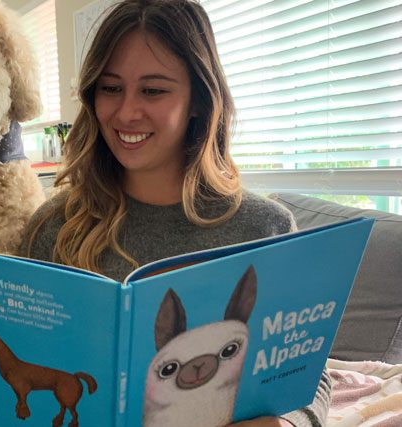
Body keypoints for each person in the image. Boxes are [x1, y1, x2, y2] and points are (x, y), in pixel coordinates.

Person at [20, 0, 331, 425]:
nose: (127, 112)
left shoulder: (265, 226)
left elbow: (309, 376)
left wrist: (288, 423)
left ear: (200, 101)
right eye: (110, 88)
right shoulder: (54, 227)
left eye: (153, 90)